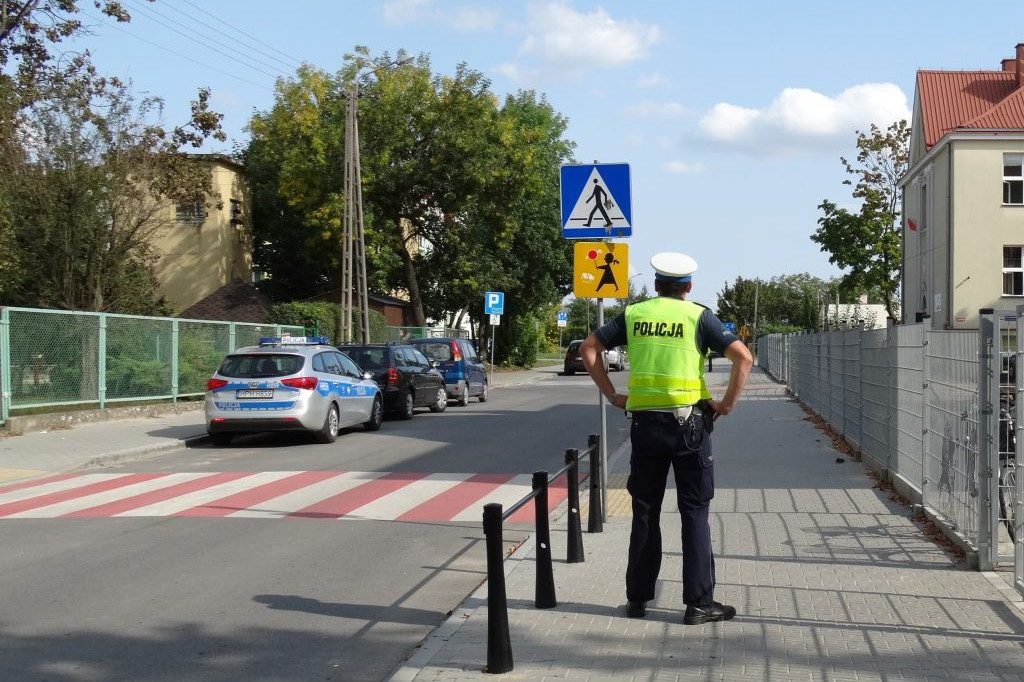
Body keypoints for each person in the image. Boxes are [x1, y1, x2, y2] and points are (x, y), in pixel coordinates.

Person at [580, 251, 752, 624]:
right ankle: (699, 604)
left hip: (644, 427)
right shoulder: (698, 316)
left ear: (656, 285)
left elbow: (588, 348)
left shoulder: (634, 315)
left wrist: (612, 395)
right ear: (688, 287)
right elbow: (744, 358)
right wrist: (725, 405)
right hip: (689, 426)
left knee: (645, 511)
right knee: (694, 512)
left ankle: (638, 600)